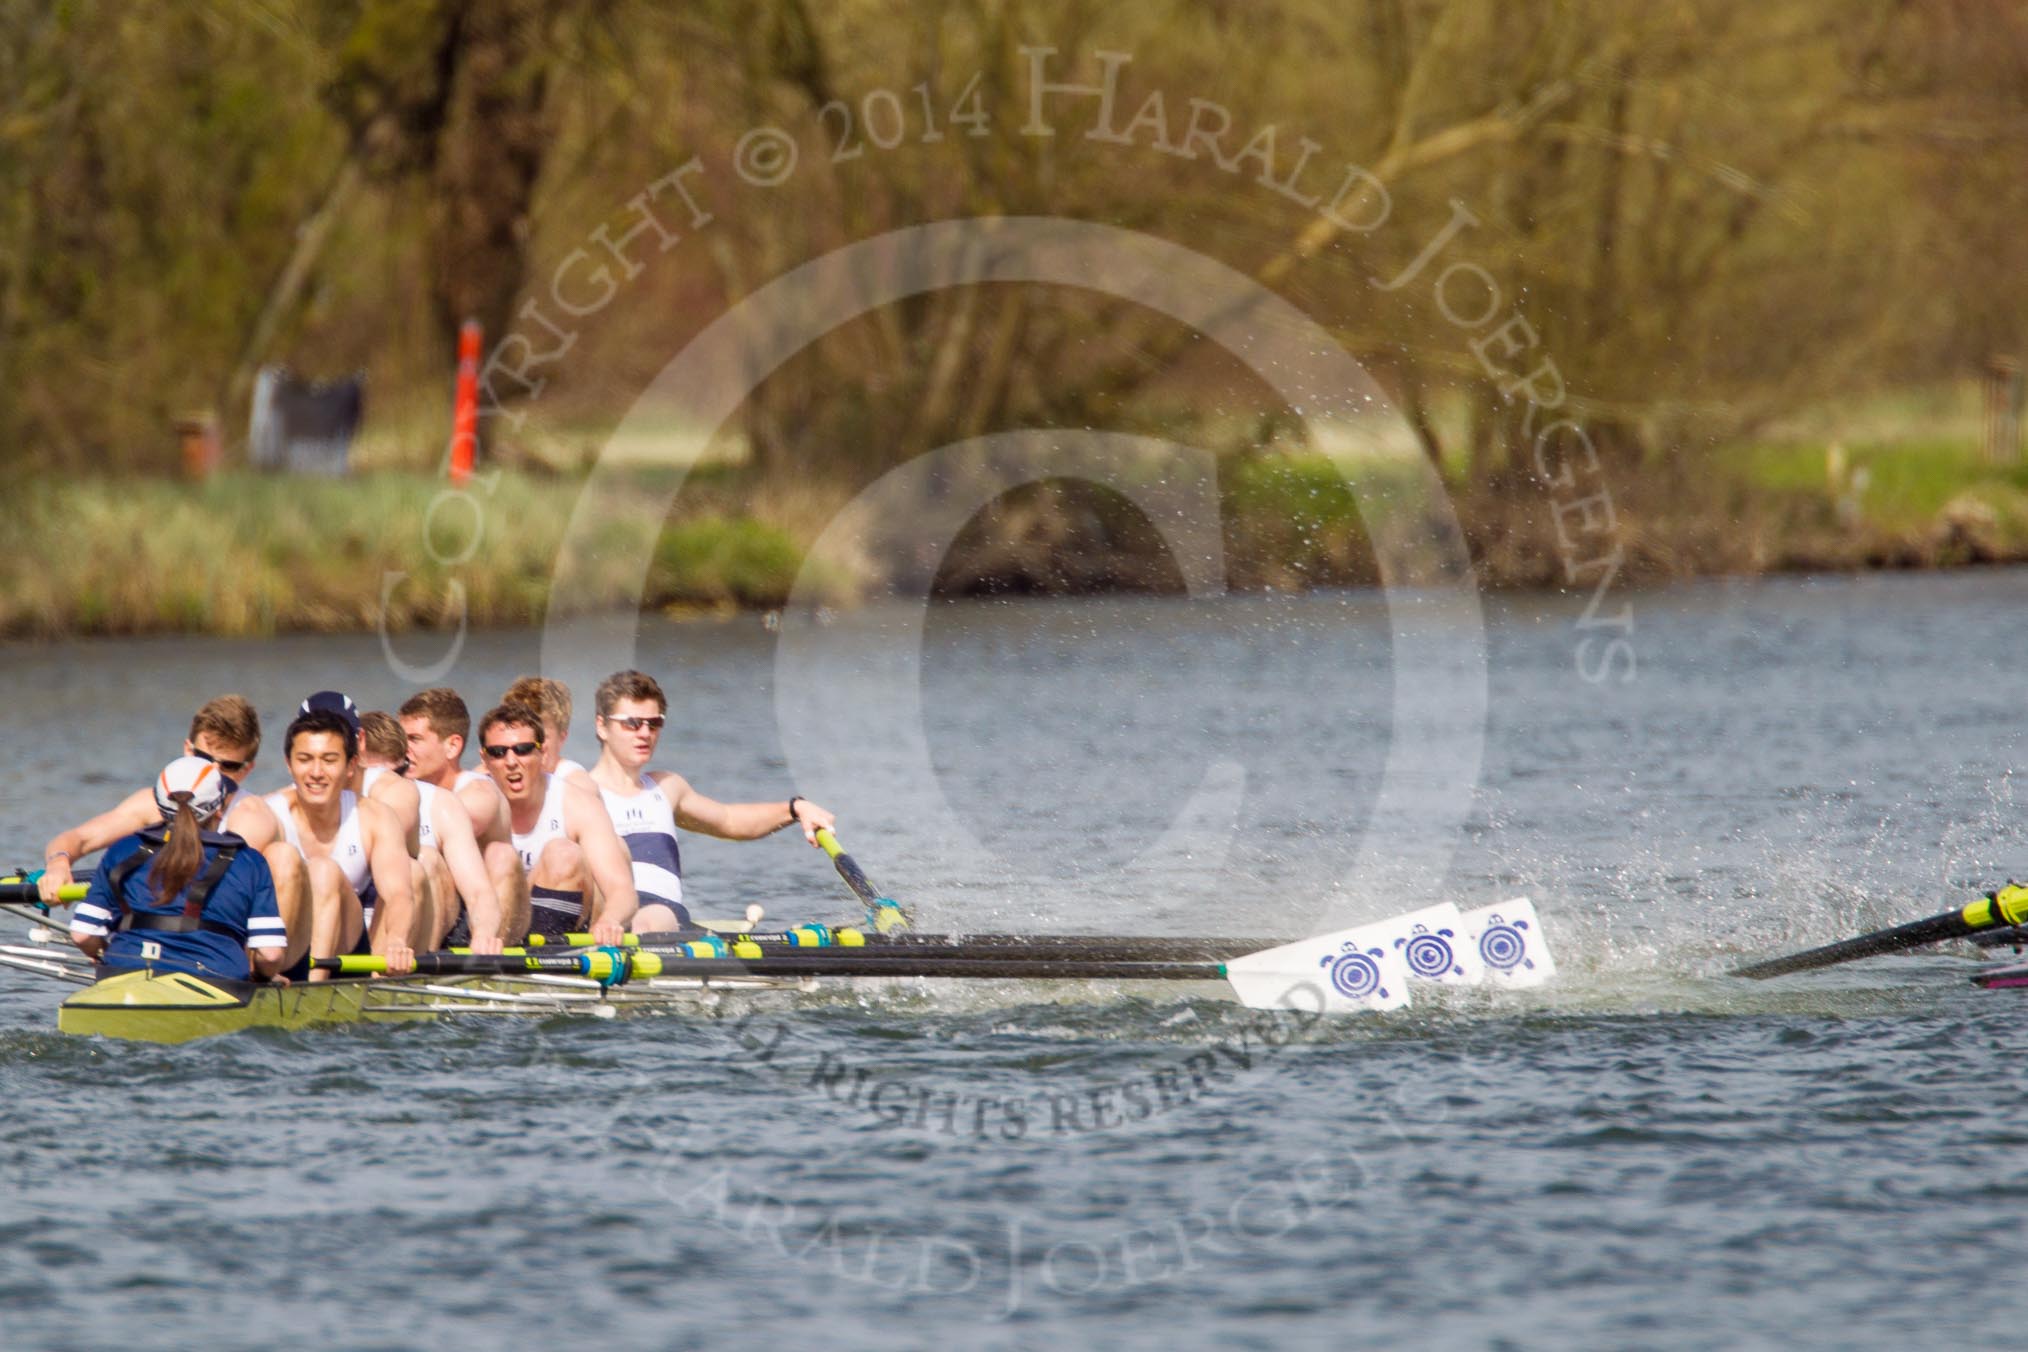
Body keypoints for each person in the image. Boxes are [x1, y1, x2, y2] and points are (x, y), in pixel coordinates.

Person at [38, 696, 313, 971]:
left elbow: (214, 889)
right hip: (170, 942)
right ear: (187, 749)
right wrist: (59, 863)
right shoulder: (149, 802)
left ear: (247, 769)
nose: (211, 773)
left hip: (230, 947)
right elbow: (78, 839)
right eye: (203, 758)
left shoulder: (252, 815)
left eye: (227, 766)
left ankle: (258, 976)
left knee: (283, 855)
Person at [587, 669, 835, 933]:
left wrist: (796, 808)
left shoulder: (667, 787)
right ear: (602, 726)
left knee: (650, 919)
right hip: (605, 918)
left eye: (654, 723)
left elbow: (730, 820)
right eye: (632, 723)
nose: (645, 733)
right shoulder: (577, 791)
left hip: (662, 916)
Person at [69, 755, 289, 984]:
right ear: (220, 807)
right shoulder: (249, 862)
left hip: (124, 975)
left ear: (160, 806)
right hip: (217, 983)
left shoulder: (122, 850)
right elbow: (270, 954)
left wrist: (109, 955)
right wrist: (260, 979)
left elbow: (82, 934)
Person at [264, 708, 420, 979]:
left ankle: (310, 990)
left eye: (329, 760)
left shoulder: (375, 817)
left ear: (350, 766)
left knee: (323, 871)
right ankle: (265, 973)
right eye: (304, 759)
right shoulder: (266, 813)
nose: (316, 772)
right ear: (289, 764)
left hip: (347, 948)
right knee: (280, 855)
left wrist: (396, 941)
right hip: (282, 945)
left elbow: (398, 894)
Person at [477, 701, 636, 945]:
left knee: (564, 853)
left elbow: (622, 892)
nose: (511, 761)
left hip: (569, 923)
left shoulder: (577, 804)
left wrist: (610, 921)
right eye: (498, 752)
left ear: (542, 753)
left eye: (523, 749)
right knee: (498, 856)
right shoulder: (472, 800)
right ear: (485, 759)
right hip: (499, 925)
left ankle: (549, 960)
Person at [358, 710, 505, 954]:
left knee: (425, 860)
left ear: (405, 763)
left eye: (393, 775)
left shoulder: (441, 805)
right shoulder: (333, 805)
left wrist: (484, 935)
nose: (386, 787)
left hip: (413, 937)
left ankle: (410, 970)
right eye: (373, 778)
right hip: (352, 930)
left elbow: (479, 892)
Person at [398, 686, 530, 942]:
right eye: (401, 739)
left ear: (452, 746)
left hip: (491, 913)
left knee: (495, 855)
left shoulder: (478, 793)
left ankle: (489, 963)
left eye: (414, 740)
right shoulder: (402, 789)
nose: (403, 750)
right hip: (448, 906)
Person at [502, 675, 590, 782]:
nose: (529, 746)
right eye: (520, 737)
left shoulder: (572, 778)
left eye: (540, 736)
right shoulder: (493, 772)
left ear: (561, 738)